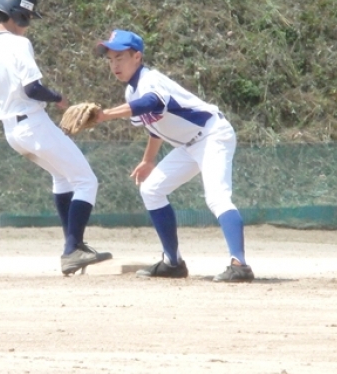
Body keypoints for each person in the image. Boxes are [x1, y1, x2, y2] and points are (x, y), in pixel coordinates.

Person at [0, 0, 112, 276]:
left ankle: (73, 248)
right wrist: (58, 98)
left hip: (12, 132)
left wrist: (4, 91)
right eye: (27, 17)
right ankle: (73, 249)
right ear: (18, 15)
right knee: (86, 180)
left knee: (62, 177)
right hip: (33, 124)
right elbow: (32, 89)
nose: (27, 24)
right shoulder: (19, 44)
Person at [93, 29, 254, 282]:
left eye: (120, 57)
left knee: (217, 197)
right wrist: (148, 160)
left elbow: (151, 104)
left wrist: (105, 115)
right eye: (110, 59)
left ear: (137, 57)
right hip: (189, 146)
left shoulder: (150, 80)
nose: (114, 65)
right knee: (151, 190)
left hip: (212, 134)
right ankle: (173, 262)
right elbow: (154, 126)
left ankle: (240, 264)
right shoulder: (131, 92)